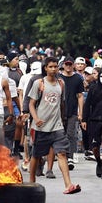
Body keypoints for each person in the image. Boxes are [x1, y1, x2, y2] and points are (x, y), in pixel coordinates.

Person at [28, 57, 81, 194]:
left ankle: (68, 185)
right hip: (41, 127)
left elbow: (62, 104)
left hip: (57, 126)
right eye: (50, 66)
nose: (53, 69)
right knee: (36, 155)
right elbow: (31, 104)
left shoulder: (61, 84)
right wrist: (36, 118)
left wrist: (63, 119)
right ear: (45, 68)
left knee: (62, 153)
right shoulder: (39, 83)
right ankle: (31, 182)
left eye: (55, 66)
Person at [59, 56, 85, 170]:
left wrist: (81, 113)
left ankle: (70, 156)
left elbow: (80, 96)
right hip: (59, 111)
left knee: (71, 134)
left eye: (70, 64)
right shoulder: (58, 78)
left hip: (73, 110)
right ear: (63, 65)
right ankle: (61, 154)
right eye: (66, 64)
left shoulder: (78, 79)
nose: (68, 66)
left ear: (73, 65)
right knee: (60, 134)